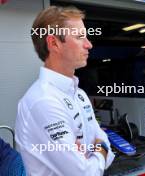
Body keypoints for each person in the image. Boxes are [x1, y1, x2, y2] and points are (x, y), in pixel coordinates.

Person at [15, 6, 114, 176]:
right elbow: (85, 173)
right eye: (79, 37)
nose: (88, 44)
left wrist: (97, 148)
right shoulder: (43, 101)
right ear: (54, 43)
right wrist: (101, 148)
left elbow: (104, 143)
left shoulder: (80, 95)